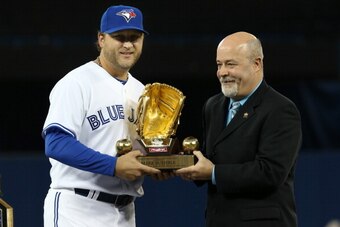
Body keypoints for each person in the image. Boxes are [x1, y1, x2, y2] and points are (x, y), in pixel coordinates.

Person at [42, 5, 161, 227]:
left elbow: (141, 148)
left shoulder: (142, 91)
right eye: (119, 37)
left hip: (125, 211)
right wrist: (113, 166)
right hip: (78, 207)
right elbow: (56, 143)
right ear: (101, 39)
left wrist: (156, 164)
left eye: (134, 37)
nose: (128, 44)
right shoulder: (76, 82)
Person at [176, 31, 302, 227]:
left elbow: (270, 173)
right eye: (219, 64)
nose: (222, 72)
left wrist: (213, 173)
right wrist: (183, 164)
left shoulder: (280, 109)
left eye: (231, 64)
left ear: (257, 64)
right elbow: (212, 159)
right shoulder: (213, 106)